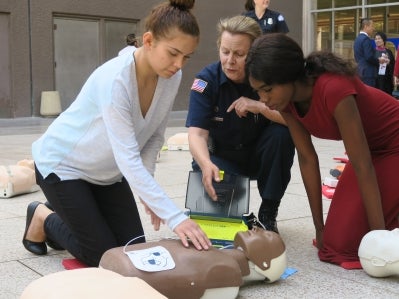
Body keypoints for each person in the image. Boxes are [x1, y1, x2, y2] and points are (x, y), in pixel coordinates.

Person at [22, 0, 211, 267]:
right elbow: (128, 157)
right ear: (148, 40)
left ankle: (73, 216)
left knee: (134, 249)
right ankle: (43, 216)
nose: (179, 64)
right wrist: (175, 217)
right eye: (173, 53)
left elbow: (154, 138)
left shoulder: (171, 76)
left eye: (186, 57)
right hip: (62, 167)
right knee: (102, 255)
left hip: (107, 173)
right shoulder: (116, 79)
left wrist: (149, 194)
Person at [245, 33, 399, 266]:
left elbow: (362, 164)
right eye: (258, 92)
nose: (263, 99)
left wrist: (379, 241)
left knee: (363, 246)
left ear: (288, 77)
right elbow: (307, 159)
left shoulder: (334, 88)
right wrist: (319, 227)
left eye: (267, 89)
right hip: (370, 151)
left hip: (394, 144)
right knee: (335, 244)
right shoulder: (287, 103)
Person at [185, 15, 295, 233]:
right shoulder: (206, 80)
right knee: (220, 231)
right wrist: (206, 164)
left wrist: (260, 106)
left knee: (282, 135)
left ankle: (268, 213)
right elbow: (196, 134)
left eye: (239, 54)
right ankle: (243, 216)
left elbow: (295, 122)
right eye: (225, 52)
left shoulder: (270, 77)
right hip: (222, 159)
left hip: (260, 156)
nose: (230, 61)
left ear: (253, 54)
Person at [353, 18, 385, 87]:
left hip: (360, 71)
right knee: (369, 95)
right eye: (372, 26)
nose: (373, 28)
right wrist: (379, 60)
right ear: (366, 26)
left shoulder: (357, 39)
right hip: (368, 73)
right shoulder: (365, 39)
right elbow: (369, 57)